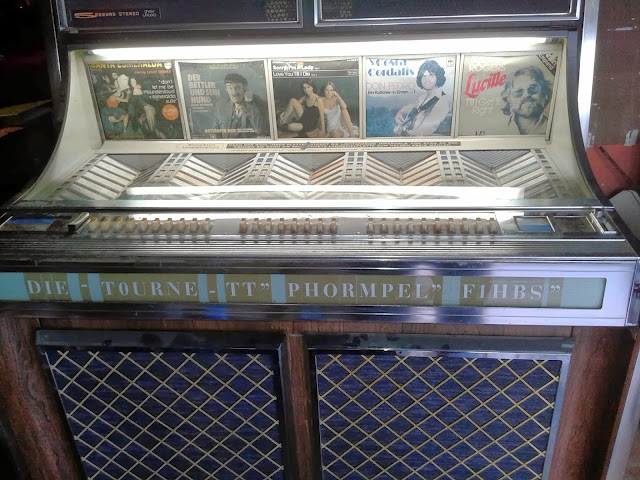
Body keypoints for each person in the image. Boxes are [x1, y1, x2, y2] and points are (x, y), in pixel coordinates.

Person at [393, 59, 450, 136]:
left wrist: (404, 133)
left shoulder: (442, 100)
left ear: (438, 77)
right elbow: (413, 107)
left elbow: (426, 130)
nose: (427, 79)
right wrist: (400, 112)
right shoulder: (423, 97)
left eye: (431, 75)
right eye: (424, 76)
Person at [212, 72, 269, 138]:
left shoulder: (258, 103)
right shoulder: (220, 106)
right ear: (226, 89)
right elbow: (215, 131)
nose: (234, 92)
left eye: (237, 87)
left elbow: (260, 130)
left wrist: (250, 103)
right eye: (230, 88)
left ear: (244, 88)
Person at [500, 66, 553, 135]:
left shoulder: (555, 126)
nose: (526, 95)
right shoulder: (498, 128)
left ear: (544, 95)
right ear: (508, 98)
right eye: (519, 91)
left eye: (533, 89)